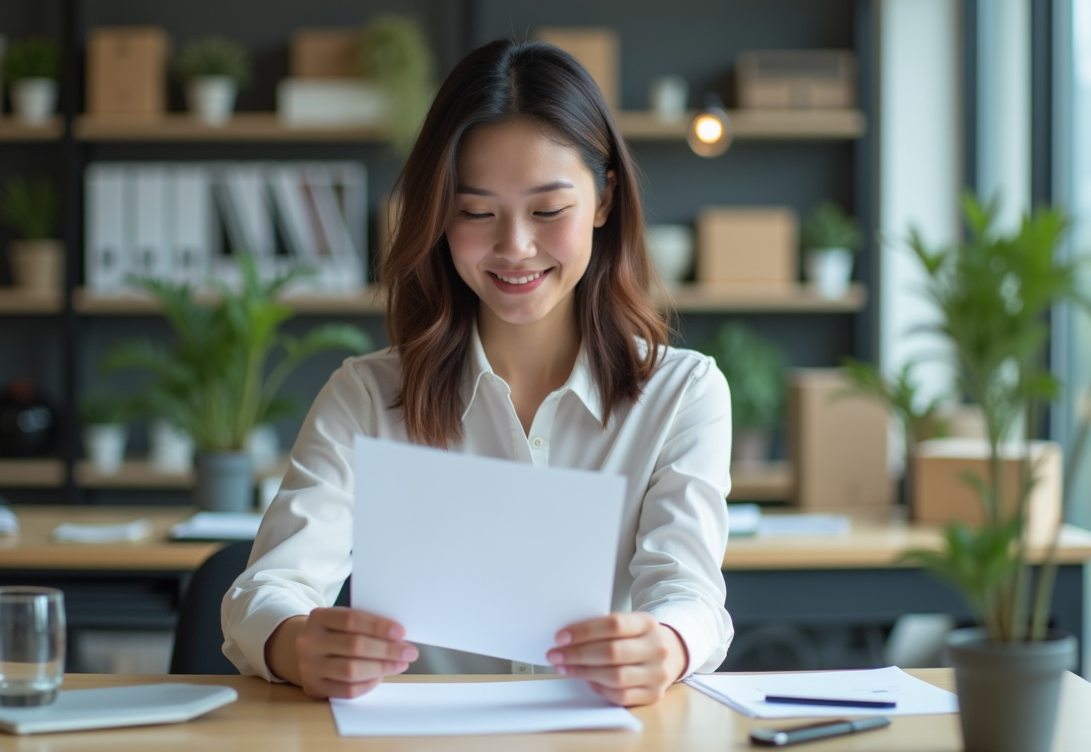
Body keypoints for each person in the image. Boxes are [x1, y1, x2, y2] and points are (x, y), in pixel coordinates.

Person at [222, 38, 734, 707]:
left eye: (549, 211)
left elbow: (689, 595)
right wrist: (295, 643)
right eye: (475, 213)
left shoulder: (682, 394)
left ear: (605, 200)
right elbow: (265, 591)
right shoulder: (368, 396)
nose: (514, 247)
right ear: (438, 215)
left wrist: (666, 645)